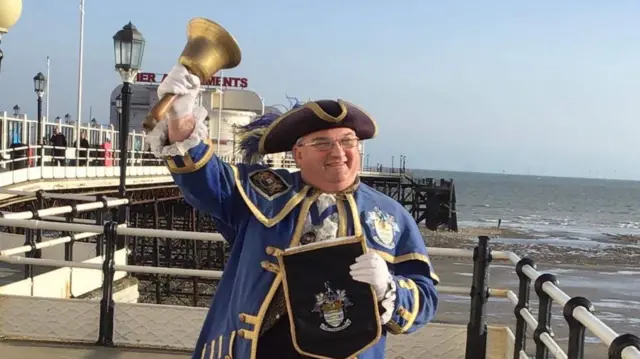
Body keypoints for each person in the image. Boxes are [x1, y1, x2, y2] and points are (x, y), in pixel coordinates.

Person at [147, 65, 439, 359]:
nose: (338, 152)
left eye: (347, 141)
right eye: (323, 143)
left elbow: (425, 299)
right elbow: (204, 181)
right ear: (298, 154)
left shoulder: (391, 215)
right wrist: (182, 115)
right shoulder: (262, 190)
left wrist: (388, 288)